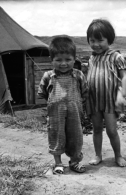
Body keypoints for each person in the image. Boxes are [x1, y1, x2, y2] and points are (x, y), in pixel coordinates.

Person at [38, 36, 88, 174]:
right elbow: (43, 93)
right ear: (51, 59)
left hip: (75, 114)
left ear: (74, 59)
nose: (63, 63)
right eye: (58, 60)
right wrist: (55, 103)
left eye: (68, 59)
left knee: (76, 137)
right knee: (56, 135)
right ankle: (58, 163)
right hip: (55, 114)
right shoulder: (48, 76)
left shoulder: (78, 75)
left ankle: (74, 162)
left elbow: (84, 93)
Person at [86, 18, 126, 167]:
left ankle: (118, 156)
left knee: (111, 130)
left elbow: (124, 76)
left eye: (100, 40)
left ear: (109, 40)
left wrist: (122, 95)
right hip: (94, 100)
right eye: (92, 40)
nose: (96, 44)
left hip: (110, 100)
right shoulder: (92, 58)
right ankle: (98, 155)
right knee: (96, 129)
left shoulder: (116, 57)